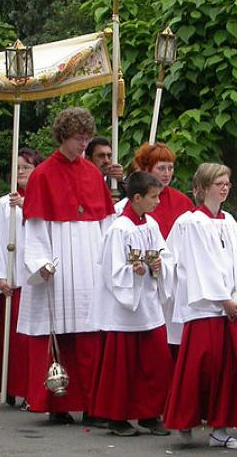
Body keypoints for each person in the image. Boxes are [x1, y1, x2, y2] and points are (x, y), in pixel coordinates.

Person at [22, 107, 114, 424]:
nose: (83, 145)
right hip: (57, 268)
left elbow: (105, 223)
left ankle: (93, 406)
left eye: (86, 139)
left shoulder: (92, 174)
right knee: (56, 338)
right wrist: (41, 263)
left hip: (89, 266)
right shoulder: (43, 174)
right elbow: (34, 227)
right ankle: (57, 405)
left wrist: (108, 263)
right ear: (63, 136)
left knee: (90, 340)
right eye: (78, 139)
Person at [163, 163, 237, 450]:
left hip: (231, 308)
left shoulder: (230, 223)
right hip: (205, 308)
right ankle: (185, 421)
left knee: (230, 369)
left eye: (227, 182)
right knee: (199, 367)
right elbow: (198, 265)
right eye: (218, 183)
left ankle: (220, 429)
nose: (224, 187)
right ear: (202, 188)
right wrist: (222, 299)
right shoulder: (191, 222)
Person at [89, 171, 175, 437]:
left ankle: (151, 413)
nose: (158, 202)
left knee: (155, 363)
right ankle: (117, 417)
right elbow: (111, 271)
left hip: (148, 304)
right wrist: (132, 272)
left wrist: (161, 265)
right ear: (136, 198)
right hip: (124, 310)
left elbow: (164, 254)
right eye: (153, 197)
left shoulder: (149, 224)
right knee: (122, 367)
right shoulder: (119, 229)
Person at [116, 142, 195, 362]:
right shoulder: (131, 207)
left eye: (170, 167)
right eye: (161, 168)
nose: (167, 173)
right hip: (147, 282)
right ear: (146, 169)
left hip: (174, 278)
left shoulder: (182, 201)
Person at [0, 147, 44, 406]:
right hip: (14, 279)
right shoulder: (3, 204)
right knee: (14, 342)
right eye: (16, 168)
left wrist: (27, 206)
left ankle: (33, 389)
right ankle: (11, 385)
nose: (19, 173)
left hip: (35, 281)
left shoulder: (42, 199)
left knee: (32, 343)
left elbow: (44, 232)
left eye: (25, 168)